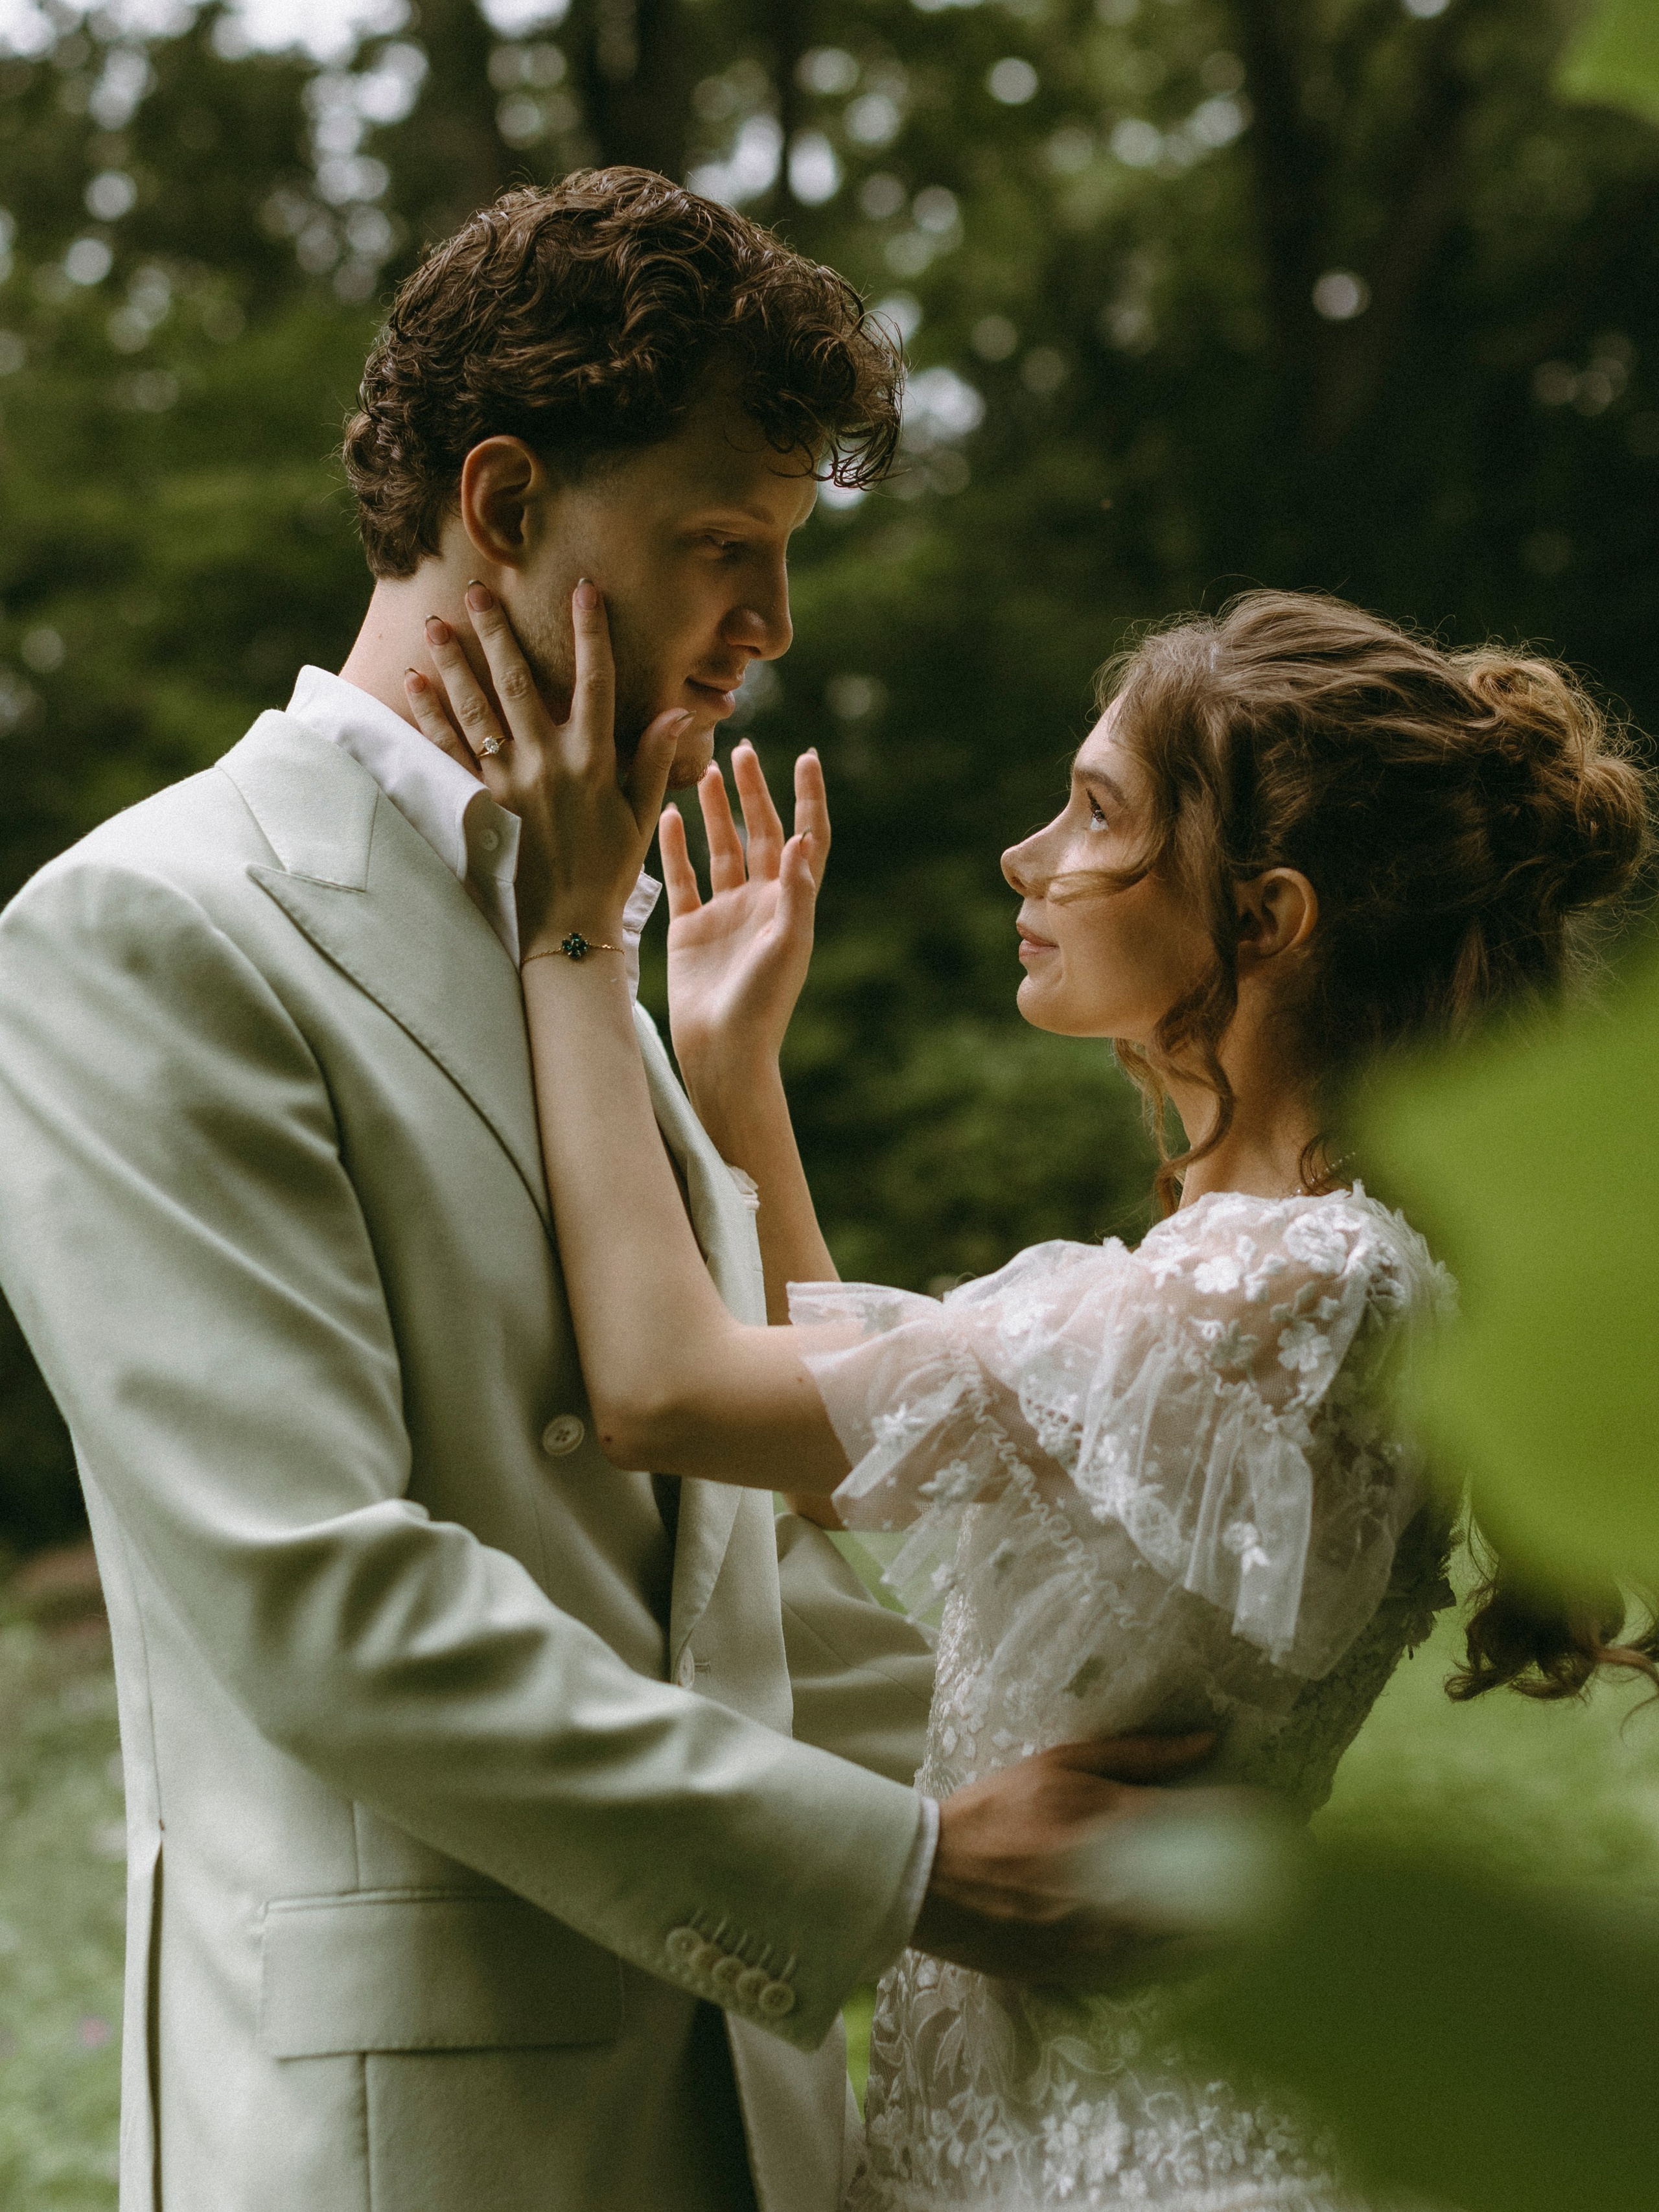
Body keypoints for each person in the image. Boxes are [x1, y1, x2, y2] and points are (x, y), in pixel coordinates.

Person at [0, 172, 1206, 2212]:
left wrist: (1092, 1750)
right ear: (500, 502)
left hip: (744, 2113)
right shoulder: (147, 930)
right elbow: (325, 1602)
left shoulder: (580, 937)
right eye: (723, 546)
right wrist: (915, 1866)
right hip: (420, 2142)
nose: (774, 625)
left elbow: (699, 1583)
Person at [403, 579, 1650, 2210]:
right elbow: (846, 1459)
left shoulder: (1293, 1288)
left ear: (1264, 919)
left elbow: (662, 1392)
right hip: (1020, 2135)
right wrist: (728, 1075)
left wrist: (576, 936)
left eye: (1091, 813)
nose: (1025, 856)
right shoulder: (1263, 1266)